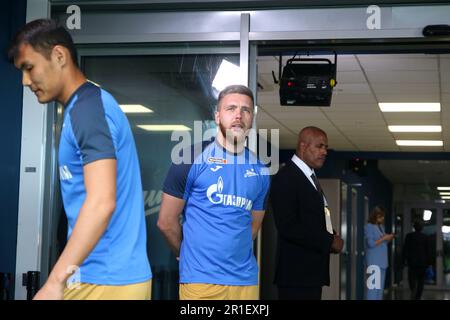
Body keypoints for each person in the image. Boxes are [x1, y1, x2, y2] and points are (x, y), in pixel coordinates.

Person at [8, 19, 152, 299]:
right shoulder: (82, 108)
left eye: (29, 68)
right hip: (98, 277)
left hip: (106, 280)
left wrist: (54, 282)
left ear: (59, 56)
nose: (25, 81)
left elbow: (101, 202)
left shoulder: (87, 111)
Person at [157, 84, 270, 300]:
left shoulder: (261, 170)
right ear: (218, 116)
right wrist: (185, 253)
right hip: (201, 281)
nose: (239, 115)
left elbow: (253, 227)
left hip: (245, 282)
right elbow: (165, 221)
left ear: (252, 119)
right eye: (231, 108)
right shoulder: (189, 159)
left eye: (246, 110)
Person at [269, 126, 344, 300]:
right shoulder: (286, 177)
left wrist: (331, 236)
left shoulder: (309, 176)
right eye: (319, 146)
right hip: (296, 276)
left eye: (326, 147)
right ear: (303, 147)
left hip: (310, 275)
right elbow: (288, 227)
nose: (324, 152)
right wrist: (329, 241)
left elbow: (311, 220)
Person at [364, 206, 394, 300]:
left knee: (379, 290)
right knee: (373, 289)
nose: (382, 218)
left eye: (383, 217)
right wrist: (384, 238)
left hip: (382, 263)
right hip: (374, 263)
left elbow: (382, 242)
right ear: (375, 216)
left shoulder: (381, 227)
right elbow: (371, 243)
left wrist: (388, 238)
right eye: (381, 216)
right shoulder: (369, 227)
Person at [403, 220, 431, 300]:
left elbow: (405, 249)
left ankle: (413, 290)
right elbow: (428, 250)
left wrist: (403, 260)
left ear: (414, 227)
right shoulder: (425, 237)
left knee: (411, 278)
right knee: (421, 280)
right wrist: (429, 262)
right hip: (422, 262)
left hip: (412, 262)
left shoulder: (409, 236)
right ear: (422, 228)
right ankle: (418, 296)